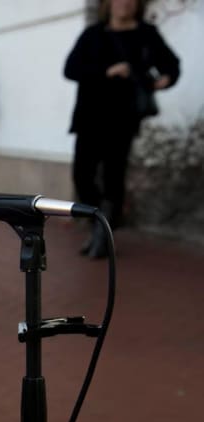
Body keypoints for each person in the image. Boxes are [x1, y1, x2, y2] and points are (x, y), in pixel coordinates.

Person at [64, 0, 179, 258]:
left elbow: (171, 64)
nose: (124, 3)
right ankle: (98, 224)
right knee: (82, 174)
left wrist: (165, 80)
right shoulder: (93, 33)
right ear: (109, 4)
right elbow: (71, 69)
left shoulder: (147, 34)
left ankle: (103, 233)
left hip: (124, 119)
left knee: (114, 178)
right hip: (89, 117)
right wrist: (107, 71)